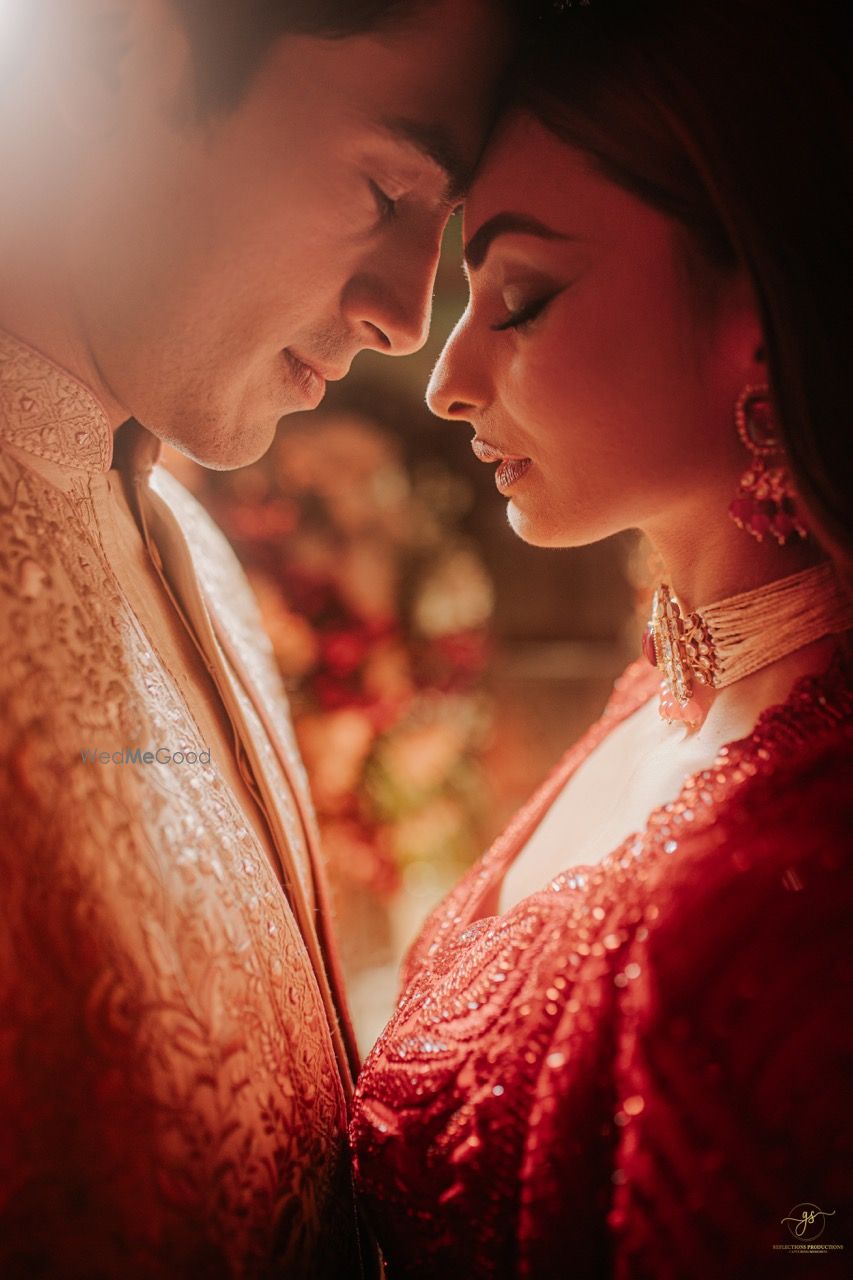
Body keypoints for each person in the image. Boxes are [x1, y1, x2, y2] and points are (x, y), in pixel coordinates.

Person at [0, 1, 514, 1275]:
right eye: (386, 186)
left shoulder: (205, 556)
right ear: (130, 53)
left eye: (443, 234)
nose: (410, 313)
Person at [350, 1, 853, 1275]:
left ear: (757, 314)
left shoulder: (784, 900)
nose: (445, 379)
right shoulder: (668, 684)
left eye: (518, 297)